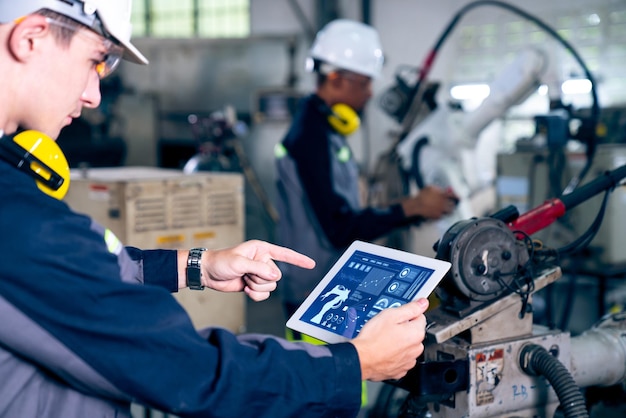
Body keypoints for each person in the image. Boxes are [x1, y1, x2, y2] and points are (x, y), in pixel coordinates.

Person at [0, 1, 432, 417]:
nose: (94, 94)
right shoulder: (17, 217)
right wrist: (354, 365)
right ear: (31, 38)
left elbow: (96, 273)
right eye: (96, 60)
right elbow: (186, 369)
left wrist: (198, 265)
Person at [276, 19, 459, 317]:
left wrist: (411, 209)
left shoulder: (325, 131)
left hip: (328, 285)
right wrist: (411, 207)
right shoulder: (310, 138)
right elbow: (339, 228)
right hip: (314, 294)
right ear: (335, 79)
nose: (371, 93)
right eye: (364, 83)